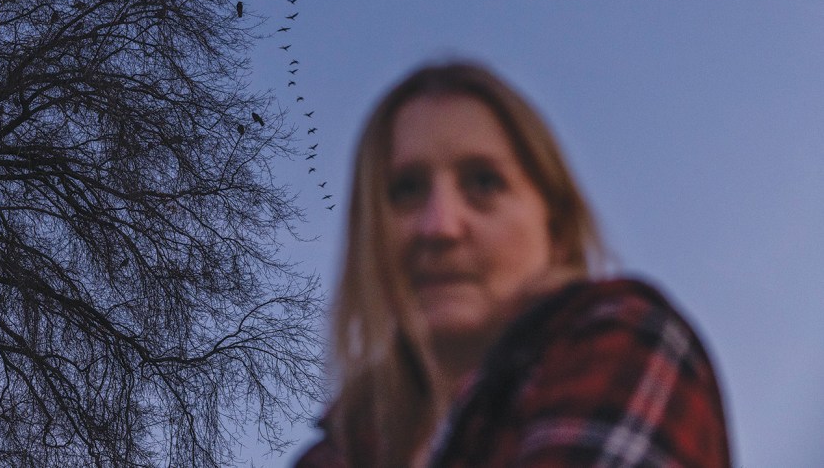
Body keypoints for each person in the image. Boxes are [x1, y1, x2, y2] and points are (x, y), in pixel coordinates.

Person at [294, 60, 732, 468]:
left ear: (556, 232)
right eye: (405, 191)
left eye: (484, 182)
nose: (439, 226)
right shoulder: (338, 449)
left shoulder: (626, 340)